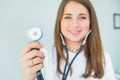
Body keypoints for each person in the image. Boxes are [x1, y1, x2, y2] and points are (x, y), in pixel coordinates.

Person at [20, 0, 115, 80]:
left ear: (91, 23)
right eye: (68, 17)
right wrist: (28, 77)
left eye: (82, 17)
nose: (75, 24)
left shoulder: (104, 58)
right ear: (59, 22)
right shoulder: (42, 56)